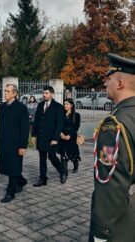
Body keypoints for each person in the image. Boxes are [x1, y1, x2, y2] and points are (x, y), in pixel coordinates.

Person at [89, 53, 135, 242]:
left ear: (120, 84)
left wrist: (101, 231)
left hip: (120, 220)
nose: (105, 83)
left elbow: (111, 182)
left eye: (109, 79)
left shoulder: (114, 126)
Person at [0, 84, 29, 203]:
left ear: (15, 93)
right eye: (5, 91)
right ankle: (21, 181)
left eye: (8, 91)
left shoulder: (21, 108)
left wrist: (22, 146)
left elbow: (25, 129)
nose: (5, 93)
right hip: (4, 142)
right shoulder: (2, 106)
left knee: (13, 167)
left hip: (16, 143)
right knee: (7, 166)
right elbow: (0, 124)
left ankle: (11, 192)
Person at [31, 86, 66, 186]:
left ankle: (62, 171)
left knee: (52, 156)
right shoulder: (40, 105)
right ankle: (43, 179)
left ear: (52, 94)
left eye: (46, 93)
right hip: (41, 136)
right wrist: (33, 135)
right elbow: (36, 120)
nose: (44, 95)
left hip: (52, 137)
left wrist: (55, 139)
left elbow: (59, 124)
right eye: (43, 93)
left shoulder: (58, 107)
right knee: (42, 158)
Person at [58, 98, 81, 175]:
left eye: (67, 104)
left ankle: (76, 164)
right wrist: (61, 134)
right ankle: (64, 172)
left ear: (71, 105)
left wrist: (69, 135)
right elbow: (58, 125)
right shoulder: (61, 114)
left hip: (72, 136)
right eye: (64, 104)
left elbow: (76, 127)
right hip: (62, 136)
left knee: (73, 153)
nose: (65, 105)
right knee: (63, 154)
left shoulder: (76, 115)